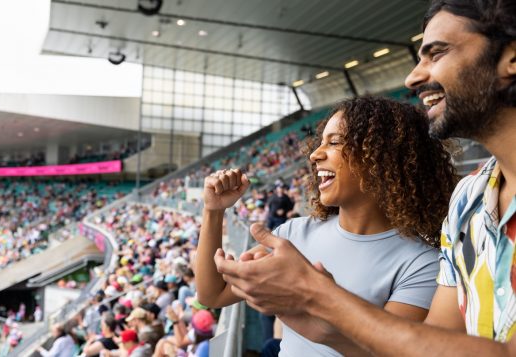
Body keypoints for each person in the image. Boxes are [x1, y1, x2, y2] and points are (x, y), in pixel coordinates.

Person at [214, 0, 516, 354]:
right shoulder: (468, 199)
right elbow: (428, 346)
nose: (413, 77)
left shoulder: (420, 254)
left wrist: (321, 297)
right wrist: (325, 325)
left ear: (511, 57)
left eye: (437, 53)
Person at [196, 96, 458, 355]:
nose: (315, 155)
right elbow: (213, 296)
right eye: (320, 143)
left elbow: (388, 352)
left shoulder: (424, 264)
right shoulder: (292, 234)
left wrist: (318, 295)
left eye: (334, 142)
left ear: (381, 156)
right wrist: (213, 210)